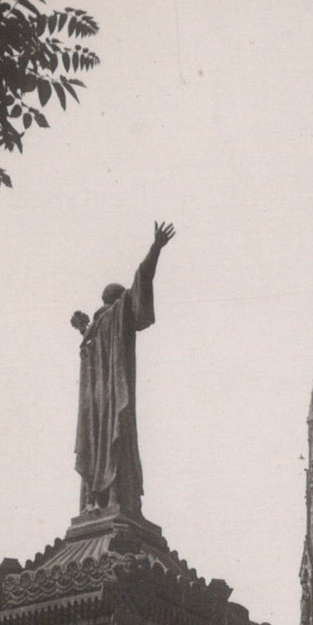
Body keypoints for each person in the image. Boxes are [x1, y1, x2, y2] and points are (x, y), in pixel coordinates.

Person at [73, 221, 175, 517]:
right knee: (114, 440)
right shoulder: (115, 316)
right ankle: (113, 497)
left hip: (99, 404)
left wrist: (83, 331)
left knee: (102, 443)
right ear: (119, 299)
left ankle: (99, 499)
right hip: (113, 398)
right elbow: (143, 276)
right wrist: (155, 248)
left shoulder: (97, 327)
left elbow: (141, 278)